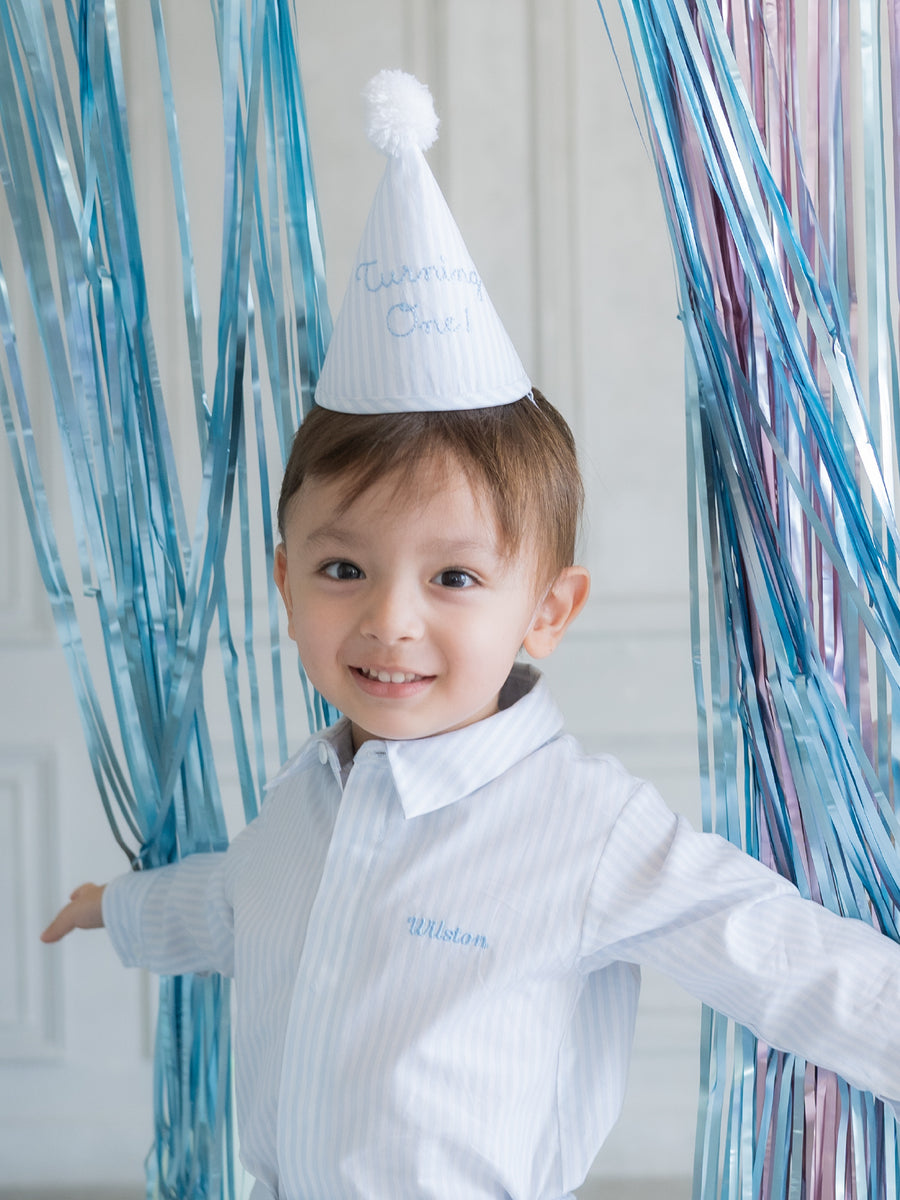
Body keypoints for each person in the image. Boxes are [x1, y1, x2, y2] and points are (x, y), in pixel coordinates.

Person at [42, 70, 900, 1200]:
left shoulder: (581, 828)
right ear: (285, 580)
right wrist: (118, 908)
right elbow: (228, 903)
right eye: (344, 568)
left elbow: (777, 954)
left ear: (547, 608)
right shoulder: (301, 803)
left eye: (453, 576)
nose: (390, 619)